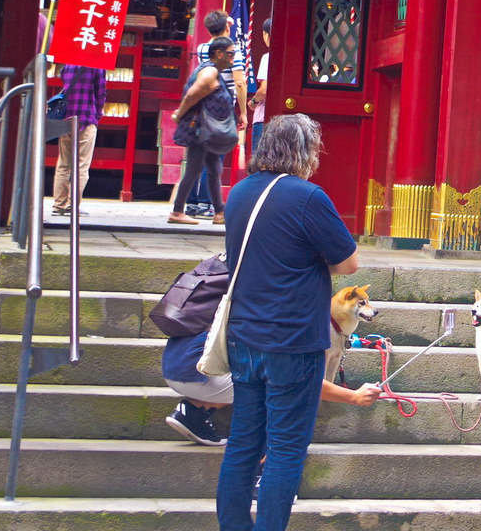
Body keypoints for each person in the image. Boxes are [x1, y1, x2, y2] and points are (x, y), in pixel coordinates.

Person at [213, 114, 360, 531]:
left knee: (243, 442)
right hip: (293, 337)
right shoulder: (308, 197)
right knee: (286, 449)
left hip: (244, 334)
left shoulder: (240, 192)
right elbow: (348, 263)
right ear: (305, 152)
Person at [162, 309, 380, 447]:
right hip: (200, 372)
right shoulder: (278, 311)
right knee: (281, 387)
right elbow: (299, 380)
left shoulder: (253, 288)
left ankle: (193, 410)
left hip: (177, 365)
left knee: (257, 369)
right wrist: (354, 397)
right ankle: (263, 467)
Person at [170, 38, 242, 226]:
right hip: (201, 130)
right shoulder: (210, 72)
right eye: (230, 54)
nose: (232, 59)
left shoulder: (212, 70)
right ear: (219, 54)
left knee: (213, 169)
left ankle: (219, 212)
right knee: (194, 170)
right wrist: (180, 112)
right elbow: (194, 93)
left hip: (206, 131)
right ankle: (177, 211)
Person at [190, 10, 251, 217]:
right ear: (227, 26)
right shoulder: (233, 51)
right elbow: (240, 82)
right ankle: (207, 202)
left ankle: (191, 201)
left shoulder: (202, 49)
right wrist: (243, 112)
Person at [49, 62, 106, 217]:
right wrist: (98, 114)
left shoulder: (67, 65)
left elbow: (64, 84)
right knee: (81, 166)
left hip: (66, 118)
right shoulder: (97, 66)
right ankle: (72, 205)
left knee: (64, 163)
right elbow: (100, 94)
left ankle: (59, 204)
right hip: (87, 118)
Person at [249, 17, 272, 153]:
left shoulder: (267, 58)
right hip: (282, 120)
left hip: (263, 117)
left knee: (259, 161)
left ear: (266, 35)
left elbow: (264, 90)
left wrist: (253, 101)